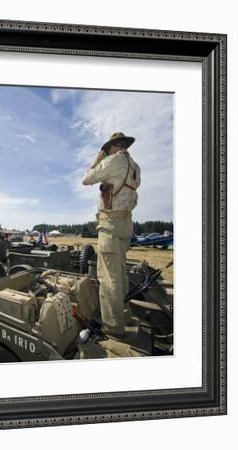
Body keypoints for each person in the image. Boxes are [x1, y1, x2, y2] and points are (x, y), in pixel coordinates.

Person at [82, 132, 141, 338]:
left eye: (107, 151)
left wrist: (97, 160)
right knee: (120, 273)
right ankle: (123, 314)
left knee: (108, 278)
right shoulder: (135, 166)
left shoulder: (115, 161)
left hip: (111, 223)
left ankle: (113, 327)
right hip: (126, 223)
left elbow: (87, 179)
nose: (105, 154)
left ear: (113, 147)